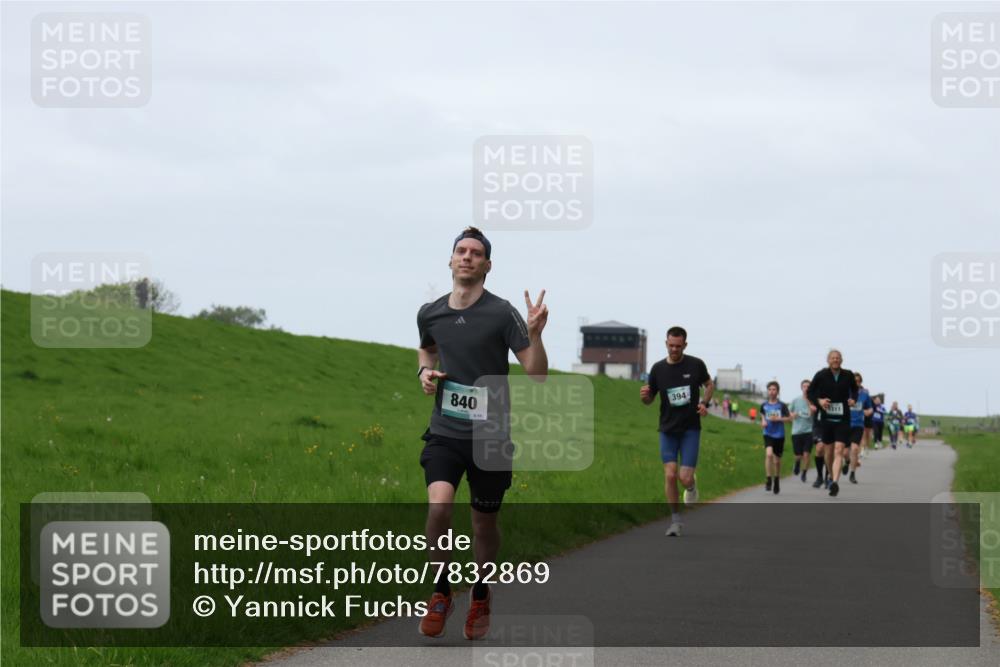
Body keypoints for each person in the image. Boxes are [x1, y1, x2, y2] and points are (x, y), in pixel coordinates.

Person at [415, 227, 549, 639]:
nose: (467, 257)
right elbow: (427, 346)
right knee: (439, 507)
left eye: (476, 253)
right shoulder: (430, 312)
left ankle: (481, 592)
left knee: (483, 526)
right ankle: (440, 591)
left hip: (491, 436)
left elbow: (537, 374)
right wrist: (424, 371)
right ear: (451, 260)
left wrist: (535, 336)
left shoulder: (502, 313)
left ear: (487, 265)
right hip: (445, 431)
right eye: (461, 251)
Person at [640, 326, 714, 537]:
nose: (674, 349)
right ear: (666, 344)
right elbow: (649, 399)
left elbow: (709, 385)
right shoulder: (657, 369)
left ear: (685, 345)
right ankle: (675, 521)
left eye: (678, 346)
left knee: (685, 477)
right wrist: (645, 397)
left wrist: (704, 403)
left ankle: (691, 487)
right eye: (671, 345)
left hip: (690, 428)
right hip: (667, 429)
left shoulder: (696, 365)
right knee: (670, 474)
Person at [807, 349, 859, 497]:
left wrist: (853, 399)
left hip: (843, 419)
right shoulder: (821, 375)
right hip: (826, 419)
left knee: (839, 450)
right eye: (832, 358)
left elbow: (855, 390)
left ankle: (835, 482)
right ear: (828, 360)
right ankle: (830, 476)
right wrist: (819, 401)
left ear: (841, 360)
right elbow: (810, 392)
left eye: (838, 358)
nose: (835, 360)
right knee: (828, 452)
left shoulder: (848, 375)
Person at [760, 381, 792, 494]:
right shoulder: (764, 405)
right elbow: (762, 414)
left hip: (779, 435)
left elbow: (789, 419)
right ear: (767, 391)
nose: (772, 391)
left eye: (774, 389)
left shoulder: (782, 406)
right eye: (770, 389)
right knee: (768, 454)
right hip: (768, 433)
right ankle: (768, 479)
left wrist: (778, 419)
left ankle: (777, 479)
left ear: (777, 392)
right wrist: (763, 421)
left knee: (777, 461)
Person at [847, 372, 873, 484]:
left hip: (858, 425)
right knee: (844, 453)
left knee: (854, 449)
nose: (856, 383)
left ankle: (852, 473)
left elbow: (870, 408)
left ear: (860, 382)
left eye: (858, 381)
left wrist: (868, 411)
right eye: (854, 381)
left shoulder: (864, 394)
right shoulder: (844, 392)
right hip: (845, 424)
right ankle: (847, 461)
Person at [789, 379, 817, 483]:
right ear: (801, 388)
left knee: (806, 454)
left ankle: (804, 472)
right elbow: (788, 412)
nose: (806, 388)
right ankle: (797, 464)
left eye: (808, 387)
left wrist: (813, 409)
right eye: (804, 386)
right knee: (798, 456)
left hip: (809, 431)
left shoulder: (813, 401)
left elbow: (815, 415)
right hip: (796, 431)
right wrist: (792, 415)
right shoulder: (796, 400)